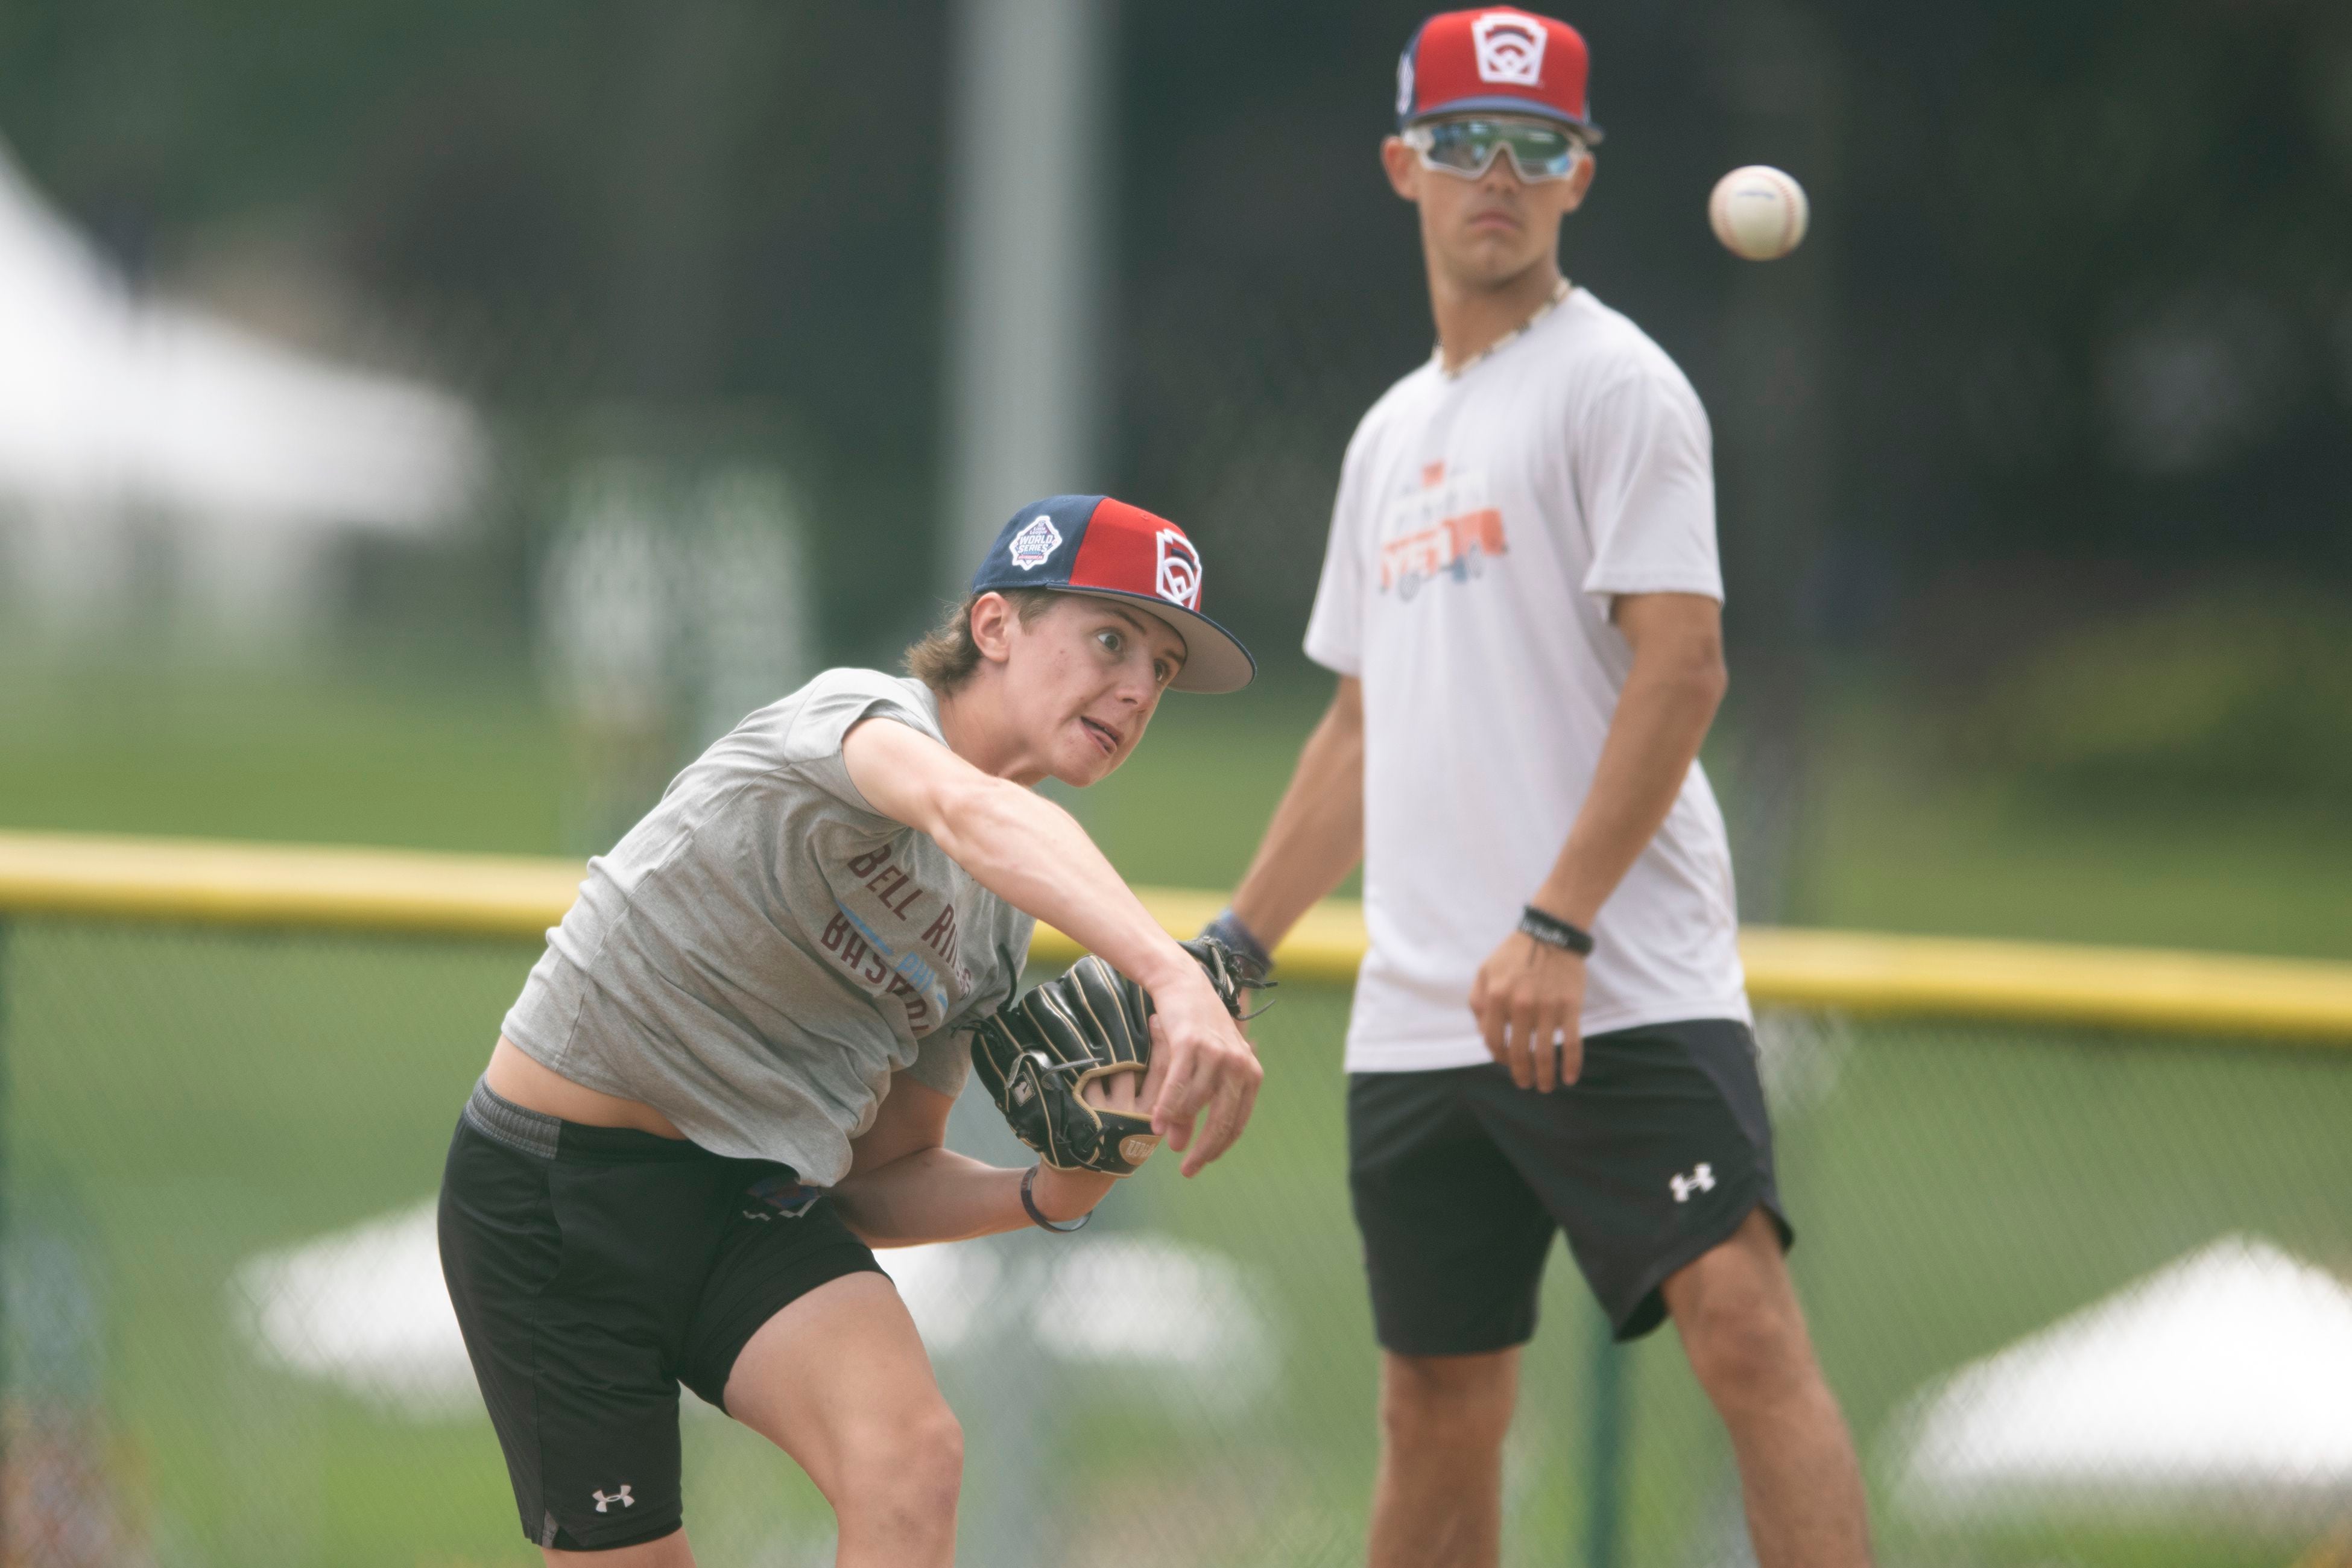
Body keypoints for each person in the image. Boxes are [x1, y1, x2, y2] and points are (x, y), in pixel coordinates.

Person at [1203, 11, 1873, 1566]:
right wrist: (1232, 953)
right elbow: (1360, 732)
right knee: (1435, 1407)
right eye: (1461, 142)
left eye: (1535, 148)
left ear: (1580, 178)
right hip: (1423, 1008)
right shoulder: (1389, 437)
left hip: (1614, 985)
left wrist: (1558, 923)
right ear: (1402, 166)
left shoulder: (1619, 387)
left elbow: (1685, 669)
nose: (1494, 175)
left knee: (1747, 1338)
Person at [437, 493, 1265, 1567]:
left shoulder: (993, 923)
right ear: (995, 625)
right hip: (556, 1202)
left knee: (911, 1460)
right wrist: (1171, 974)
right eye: (1110, 638)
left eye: (1161, 667)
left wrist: (1046, 1194)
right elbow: (971, 813)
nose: (1138, 687)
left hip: (742, 1210)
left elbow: (872, 1181)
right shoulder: (856, 721)